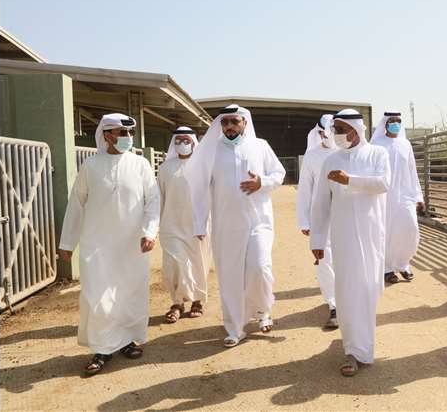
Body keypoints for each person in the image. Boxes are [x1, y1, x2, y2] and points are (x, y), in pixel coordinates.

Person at [57, 113, 160, 376]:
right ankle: (102, 349)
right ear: (107, 135)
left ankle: (127, 341)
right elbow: (76, 205)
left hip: (132, 246)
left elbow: (153, 201)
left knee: (129, 295)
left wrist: (149, 232)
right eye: (122, 133)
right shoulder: (90, 166)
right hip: (97, 245)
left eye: (130, 133)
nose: (128, 137)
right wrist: (67, 242)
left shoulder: (141, 164)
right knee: (98, 298)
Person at [189, 104, 286, 348]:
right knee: (230, 278)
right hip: (226, 226)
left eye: (234, 121)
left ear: (244, 123)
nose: (230, 126)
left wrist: (262, 182)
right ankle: (235, 327)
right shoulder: (211, 151)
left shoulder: (260, 146)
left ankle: (263, 310)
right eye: (225, 122)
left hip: (258, 222)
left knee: (259, 268)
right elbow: (199, 189)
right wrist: (199, 223)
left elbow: (279, 173)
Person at [309, 108, 390, 376]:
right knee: (347, 292)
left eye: (342, 130)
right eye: (335, 129)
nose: (337, 134)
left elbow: (383, 183)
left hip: (371, 236)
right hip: (342, 238)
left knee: (368, 290)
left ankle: (360, 343)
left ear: (356, 130)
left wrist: (349, 180)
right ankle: (354, 350)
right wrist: (317, 240)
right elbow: (321, 203)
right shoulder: (330, 161)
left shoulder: (377, 154)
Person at [158, 126, 213, 323]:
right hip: (171, 225)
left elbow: (209, 197)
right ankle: (177, 303)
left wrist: (205, 222)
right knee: (175, 264)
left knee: (198, 263)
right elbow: (159, 197)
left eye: (186, 140)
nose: (182, 144)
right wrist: (156, 225)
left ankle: (197, 301)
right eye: (178, 141)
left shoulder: (203, 166)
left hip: (197, 226)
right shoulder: (165, 168)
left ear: (193, 142)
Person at [370, 111, 425, 284]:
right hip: (384, 196)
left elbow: (412, 170)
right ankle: (386, 268)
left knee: (410, 228)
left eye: (398, 121)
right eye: (392, 121)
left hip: (405, 195)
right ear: (385, 124)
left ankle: (403, 264)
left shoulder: (405, 144)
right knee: (386, 232)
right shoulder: (377, 144)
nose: (395, 124)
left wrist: (418, 196)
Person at [297, 114, 339, 329]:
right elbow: (305, 189)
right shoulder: (312, 156)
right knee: (325, 260)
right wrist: (304, 221)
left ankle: (350, 301)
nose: (328, 136)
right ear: (319, 133)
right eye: (324, 132)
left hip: (348, 215)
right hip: (321, 217)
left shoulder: (349, 153)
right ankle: (334, 305)